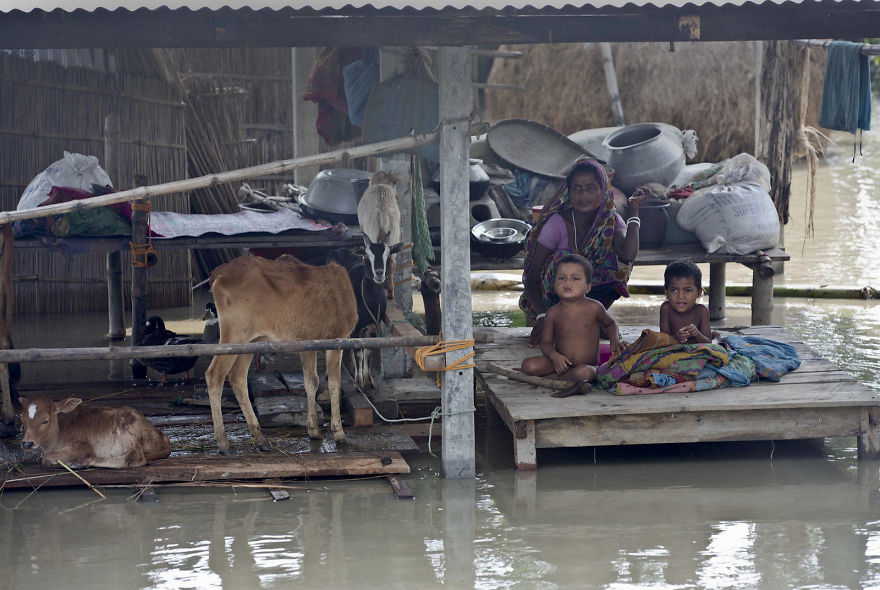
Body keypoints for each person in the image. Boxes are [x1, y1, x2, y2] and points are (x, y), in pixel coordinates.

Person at [519, 158, 649, 346]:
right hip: (552, 302)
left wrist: (634, 211)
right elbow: (531, 276)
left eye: (591, 188)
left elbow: (628, 255)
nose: (583, 195)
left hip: (590, 297)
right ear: (568, 192)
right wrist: (542, 316)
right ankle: (560, 321)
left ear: (603, 190)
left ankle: (592, 316)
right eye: (577, 189)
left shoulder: (610, 221)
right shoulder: (558, 223)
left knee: (620, 263)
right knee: (565, 262)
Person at [520, 254, 625, 383]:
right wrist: (555, 357)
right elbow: (545, 344)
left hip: (586, 365)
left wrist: (614, 340)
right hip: (561, 363)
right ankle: (565, 377)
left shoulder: (594, 307)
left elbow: (610, 324)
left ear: (587, 287)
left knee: (584, 373)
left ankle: (554, 379)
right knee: (528, 365)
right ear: (554, 284)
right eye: (561, 278)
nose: (567, 282)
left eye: (575, 278)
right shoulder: (553, 313)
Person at [659, 260, 718, 344]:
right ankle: (715, 335)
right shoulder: (666, 308)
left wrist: (697, 334)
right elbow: (663, 341)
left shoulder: (702, 311)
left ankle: (716, 336)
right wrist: (677, 337)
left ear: (699, 292)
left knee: (718, 346)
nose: (681, 296)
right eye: (674, 290)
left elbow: (708, 343)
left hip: (697, 352)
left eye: (688, 290)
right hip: (675, 352)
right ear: (666, 292)